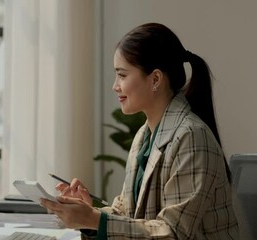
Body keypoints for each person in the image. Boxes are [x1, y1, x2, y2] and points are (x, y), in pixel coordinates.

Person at [41, 23, 239, 239]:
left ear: (155, 79)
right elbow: (127, 214)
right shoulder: (144, 136)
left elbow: (173, 233)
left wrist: (93, 219)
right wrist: (88, 215)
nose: (115, 86)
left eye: (122, 75)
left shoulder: (191, 136)